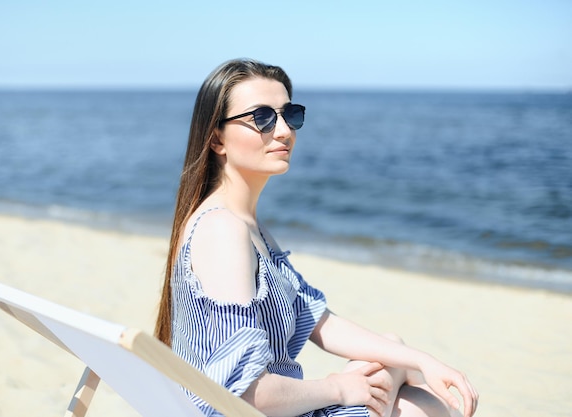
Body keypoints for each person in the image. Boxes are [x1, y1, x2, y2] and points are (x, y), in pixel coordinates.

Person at [154, 58, 478, 417]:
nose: (283, 131)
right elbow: (242, 392)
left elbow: (319, 320)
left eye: (289, 114)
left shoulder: (249, 228)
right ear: (217, 139)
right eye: (261, 118)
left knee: (401, 364)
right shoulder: (222, 230)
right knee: (419, 403)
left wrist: (425, 360)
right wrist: (337, 388)